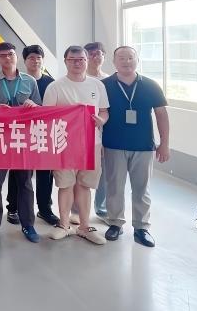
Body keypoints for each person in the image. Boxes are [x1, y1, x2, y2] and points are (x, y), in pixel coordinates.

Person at [102, 46, 169, 248]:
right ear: (114, 62)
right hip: (113, 144)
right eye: (121, 58)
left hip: (143, 145)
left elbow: (161, 115)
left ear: (137, 60)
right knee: (114, 187)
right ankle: (115, 223)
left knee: (142, 188)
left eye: (130, 57)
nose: (126, 61)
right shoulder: (104, 85)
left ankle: (141, 228)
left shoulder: (150, 85)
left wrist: (164, 144)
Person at [43, 46, 109, 245]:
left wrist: (101, 120)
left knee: (85, 184)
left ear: (86, 61)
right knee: (65, 184)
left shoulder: (97, 85)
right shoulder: (55, 87)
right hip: (64, 144)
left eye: (81, 59)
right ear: (65, 62)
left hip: (91, 143)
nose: (77, 63)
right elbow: (46, 116)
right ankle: (64, 225)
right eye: (72, 59)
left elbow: (104, 111)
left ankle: (84, 226)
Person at [0, 42, 42, 243]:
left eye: (11, 54)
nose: (8, 58)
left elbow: (40, 109)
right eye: (3, 55)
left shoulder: (30, 81)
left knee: (25, 184)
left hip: (22, 139)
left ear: (16, 56)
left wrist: (33, 105)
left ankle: (28, 225)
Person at [6, 45, 60, 227]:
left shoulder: (51, 83)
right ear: (24, 60)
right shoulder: (19, 80)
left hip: (43, 133)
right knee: (18, 172)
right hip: (21, 133)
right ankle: (13, 208)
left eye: (38, 58)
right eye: (31, 58)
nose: (35, 61)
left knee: (45, 173)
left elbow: (56, 109)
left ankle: (45, 209)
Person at [84, 41, 110, 220]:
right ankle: (77, 211)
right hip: (83, 133)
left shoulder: (110, 80)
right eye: (91, 54)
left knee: (105, 171)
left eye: (98, 53)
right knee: (82, 171)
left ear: (104, 56)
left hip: (107, 130)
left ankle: (101, 207)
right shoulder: (79, 78)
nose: (95, 57)